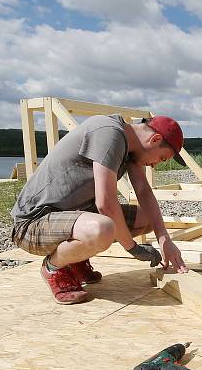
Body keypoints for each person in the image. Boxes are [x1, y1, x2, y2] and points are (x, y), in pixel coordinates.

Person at [11, 114, 189, 305]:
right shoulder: (110, 133)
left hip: (68, 217)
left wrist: (164, 239)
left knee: (146, 219)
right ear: (155, 139)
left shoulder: (130, 146)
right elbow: (105, 202)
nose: (154, 165)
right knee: (103, 228)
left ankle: (76, 258)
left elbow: (144, 191)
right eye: (161, 158)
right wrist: (132, 248)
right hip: (33, 223)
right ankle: (53, 267)